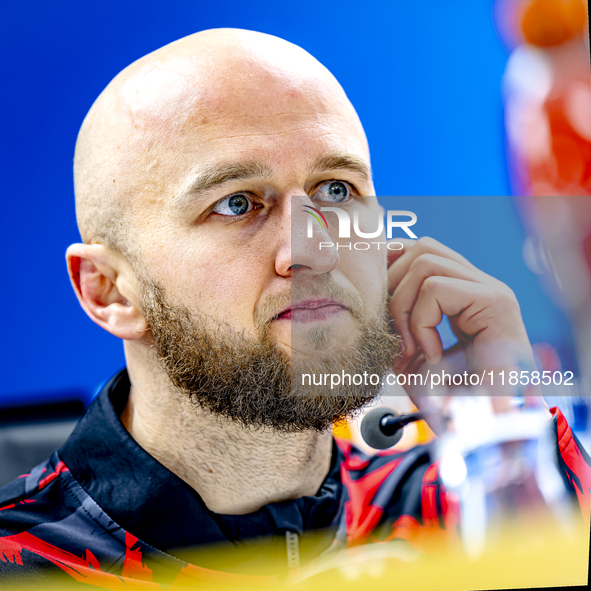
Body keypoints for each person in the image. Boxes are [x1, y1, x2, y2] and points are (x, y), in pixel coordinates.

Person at [0, 28, 589, 588]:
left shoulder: (467, 507)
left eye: (337, 190)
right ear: (109, 290)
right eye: (236, 203)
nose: (317, 250)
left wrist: (509, 431)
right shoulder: (25, 570)